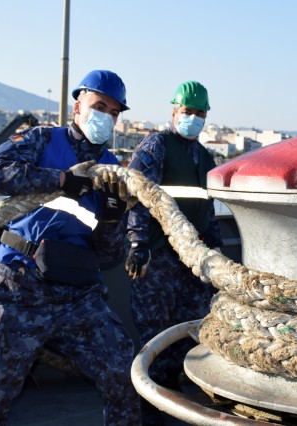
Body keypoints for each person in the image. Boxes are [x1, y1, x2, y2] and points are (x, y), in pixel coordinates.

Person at [0, 70, 141, 425]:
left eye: (113, 112)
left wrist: (112, 218)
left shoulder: (112, 171)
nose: (106, 117)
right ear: (78, 107)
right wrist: (60, 179)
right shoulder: (42, 140)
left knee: (122, 369)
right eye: (99, 106)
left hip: (78, 294)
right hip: (22, 285)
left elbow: (108, 254)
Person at [125, 81, 222, 402]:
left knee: (191, 325)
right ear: (174, 112)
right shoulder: (157, 145)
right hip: (159, 256)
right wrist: (138, 242)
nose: (192, 118)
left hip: (191, 260)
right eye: (187, 111)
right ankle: (151, 401)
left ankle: (173, 387)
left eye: (199, 114)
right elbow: (138, 192)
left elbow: (208, 208)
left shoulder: (205, 157)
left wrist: (216, 248)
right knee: (155, 329)